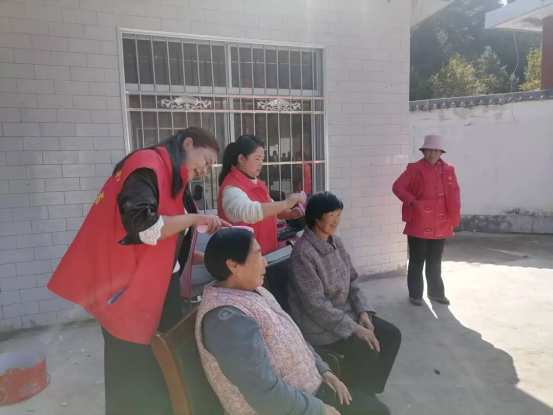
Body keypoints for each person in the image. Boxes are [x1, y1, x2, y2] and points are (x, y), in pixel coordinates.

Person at [47, 128, 230, 415]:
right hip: (130, 289)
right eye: (206, 161)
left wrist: (209, 259)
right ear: (188, 143)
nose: (205, 170)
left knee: (162, 364)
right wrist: (195, 218)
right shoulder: (146, 164)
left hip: (162, 287)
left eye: (210, 166)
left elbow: (170, 249)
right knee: (132, 372)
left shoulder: (176, 180)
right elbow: (145, 228)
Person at [196, 228, 391, 415]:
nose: (265, 262)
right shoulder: (227, 321)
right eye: (258, 254)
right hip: (288, 408)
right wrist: (317, 410)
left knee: (375, 408)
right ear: (234, 266)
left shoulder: (253, 291)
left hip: (308, 391)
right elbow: (263, 392)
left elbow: (292, 335)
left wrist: (323, 370)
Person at [287, 191, 402, 395]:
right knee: (366, 348)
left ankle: (370, 392)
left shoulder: (336, 242)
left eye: (339, 215)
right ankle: (355, 397)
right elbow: (316, 306)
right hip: (319, 325)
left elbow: (352, 282)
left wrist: (363, 312)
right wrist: (354, 328)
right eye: (332, 215)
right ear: (316, 217)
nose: (336, 221)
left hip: (346, 313)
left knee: (391, 335)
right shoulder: (303, 253)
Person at [392, 134, 461, 306]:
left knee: (435, 258)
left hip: (441, 222)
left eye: (436, 151)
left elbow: (455, 192)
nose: (432, 154)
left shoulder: (449, 169)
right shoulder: (414, 169)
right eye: (429, 150)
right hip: (419, 220)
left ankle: (435, 293)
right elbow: (398, 186)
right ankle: (415, 294)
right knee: (417, 258)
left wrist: (453, 213)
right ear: (423, 151)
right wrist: (413, 201)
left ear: (441, 152)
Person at [218, 135, 306, 255]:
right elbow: (250, 212)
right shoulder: (231, 188)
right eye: (257, 159)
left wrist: (288, 213)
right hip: (244, 259)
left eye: (262, 159)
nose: (261, 163)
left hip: (265, 254)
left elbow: (269, 208)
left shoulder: (257, 182)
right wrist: (285, 203)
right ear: (241, 159)